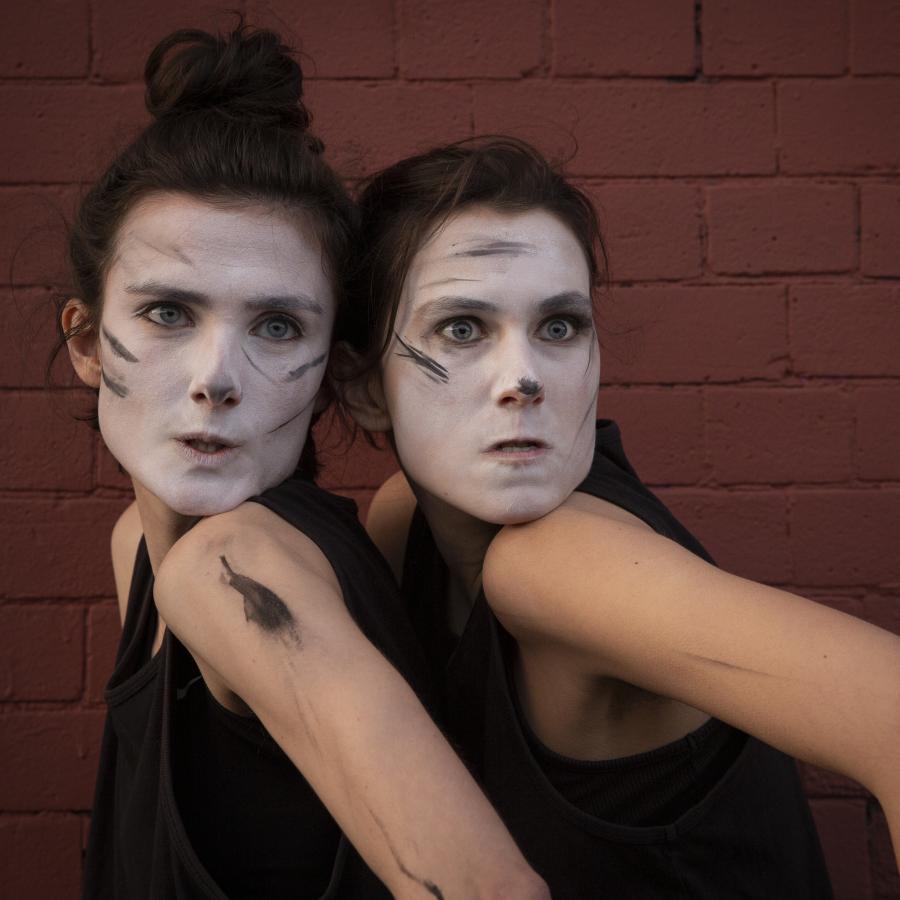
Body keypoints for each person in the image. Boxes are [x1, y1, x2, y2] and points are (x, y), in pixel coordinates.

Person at [339, 136, 900, 898]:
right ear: (367, 388)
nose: (525, 378)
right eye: (462, 329)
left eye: (559, 326)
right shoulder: (408, 523)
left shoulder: (558, 563)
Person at [58, 27, 548, 899]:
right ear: (89, 341)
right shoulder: (140, 547)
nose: (216, 379)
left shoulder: (230, 569)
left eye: (277, 327)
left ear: (329, 366)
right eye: (169, 313)